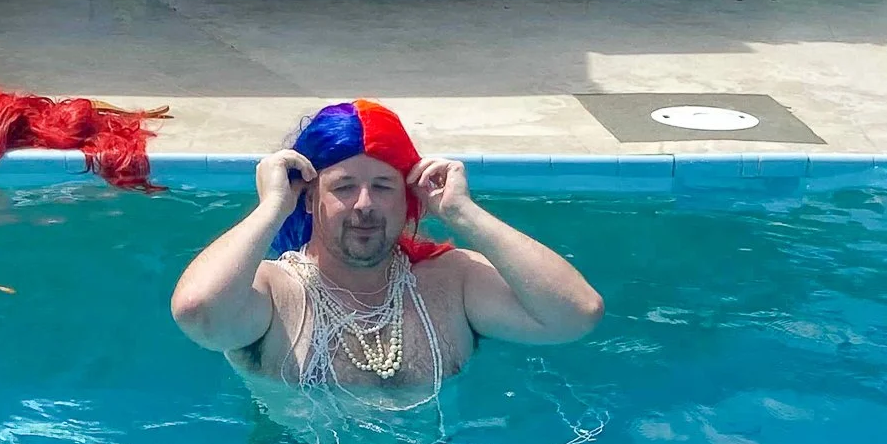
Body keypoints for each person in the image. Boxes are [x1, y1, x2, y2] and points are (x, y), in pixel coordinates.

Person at [170, 99, 603, 401]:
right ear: (309, 198)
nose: (364, 204)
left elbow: (576, 315)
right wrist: (273, 207)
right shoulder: (272, 292)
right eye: (343, 187)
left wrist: (463, 213)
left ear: (407, 198)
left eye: (382, 186)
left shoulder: (452, 282)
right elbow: (198, 314)